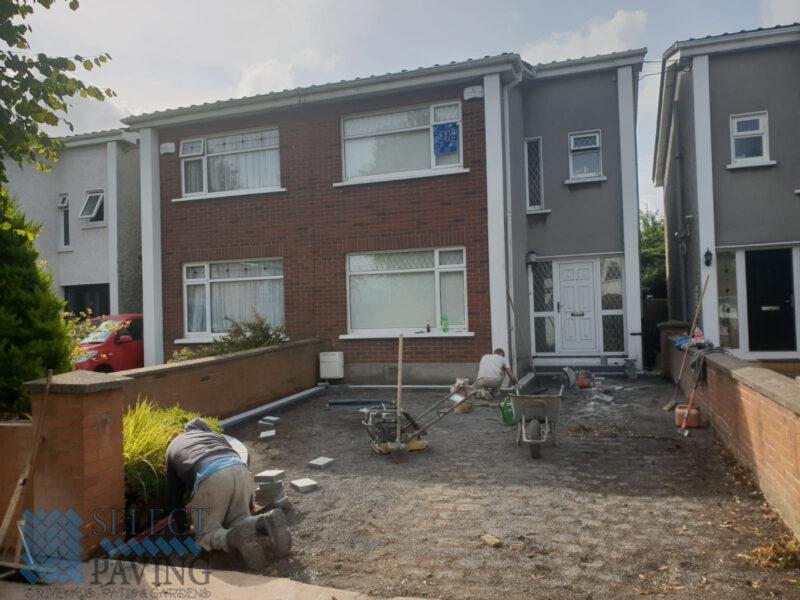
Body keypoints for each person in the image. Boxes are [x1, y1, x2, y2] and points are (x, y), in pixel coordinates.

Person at [165, 418, 291, 571]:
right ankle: (265, 520)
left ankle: (232, 537)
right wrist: (249, 506)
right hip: (240, 470)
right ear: (205, 430)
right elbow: (235, 459)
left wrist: (183, 529)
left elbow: (174, 496)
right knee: (240, 519)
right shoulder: (215, 437)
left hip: (211, 475)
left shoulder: (174, 445)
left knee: (206, 534)